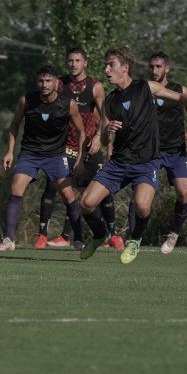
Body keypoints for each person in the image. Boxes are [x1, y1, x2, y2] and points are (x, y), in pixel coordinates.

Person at [78, 47, 187, 265]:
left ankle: (135, 240)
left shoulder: (146, 87)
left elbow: (180, 98)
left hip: (146, 162)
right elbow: (107, 140)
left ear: (125, 68)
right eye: (106, 65)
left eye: (111, 65)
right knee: (86, 204)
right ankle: (100, 235)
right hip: (119, 162)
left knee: (142, 206)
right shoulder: (110, 101)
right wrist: (108, 132)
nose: (107, 69)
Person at [38, 47, 123, 249]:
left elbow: (104, 117)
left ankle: (113, 235)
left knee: (103, 190)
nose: (73, 64)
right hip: (65, 146)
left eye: (77, 60)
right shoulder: (59, 84)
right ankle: (49, 235)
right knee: (57, 188)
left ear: (85, 62)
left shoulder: (95, 86)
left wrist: (98, 139)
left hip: (90, 147)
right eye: (70, 60)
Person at [0, 65, 85, 251]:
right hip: (30, 154)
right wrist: (10, 151)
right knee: (16, 187)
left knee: (68, 195)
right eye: (41, 81)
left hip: (56, 155)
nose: (44, 84)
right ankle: (9, 239)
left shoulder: (68, 103)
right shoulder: (26, 100)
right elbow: (14, 126)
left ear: (56, 82)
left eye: (48, 81)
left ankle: (79, 239)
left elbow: (81, 131)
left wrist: (80, 157)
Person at [141, 52, 187, 255]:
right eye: (152, 66)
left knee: (184, 193)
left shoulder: (179, 90)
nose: (154, 70)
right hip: (152, 152)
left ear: (167, 68)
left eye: (158, 66)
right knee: (142, 195)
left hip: (176, 151)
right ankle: (135, 237)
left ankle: (174, 234)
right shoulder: (144, 90)